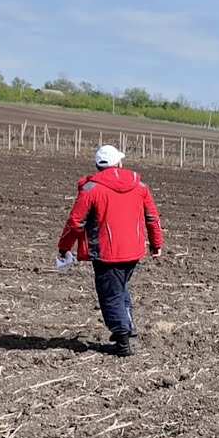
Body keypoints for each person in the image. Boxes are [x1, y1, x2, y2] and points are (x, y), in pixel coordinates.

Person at [58, 145, 164, 357]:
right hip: (133, 251)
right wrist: (156, 245)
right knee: (120, 288)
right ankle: (127, 327)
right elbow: (152, 218)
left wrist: (63, 248)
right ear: (119, 163)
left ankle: (122, 342)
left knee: (110, 295)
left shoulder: (90, 189)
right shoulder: (140, 186)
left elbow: (75, 223)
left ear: (98, 166)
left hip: (106, 253)